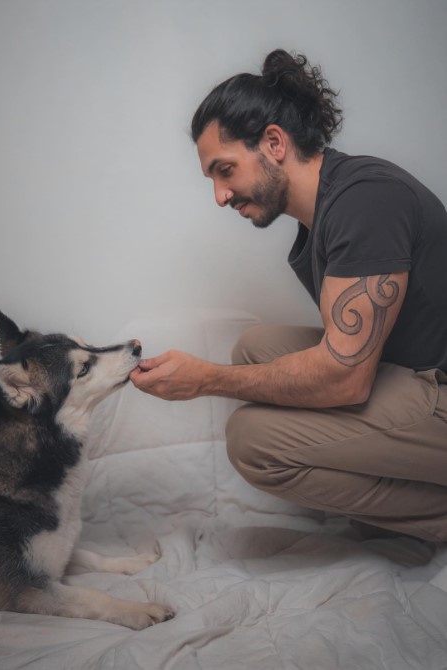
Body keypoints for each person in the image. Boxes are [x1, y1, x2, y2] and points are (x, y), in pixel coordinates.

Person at [130, 49, 447, 542]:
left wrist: (207, 380)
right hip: (416, 375)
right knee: (254, 348)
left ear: (274, 142)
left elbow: (345, 381)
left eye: (225, 170)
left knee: (251, 441)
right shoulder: (323, 212)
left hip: (439, 389)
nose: (219, 195)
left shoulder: (364, 202)